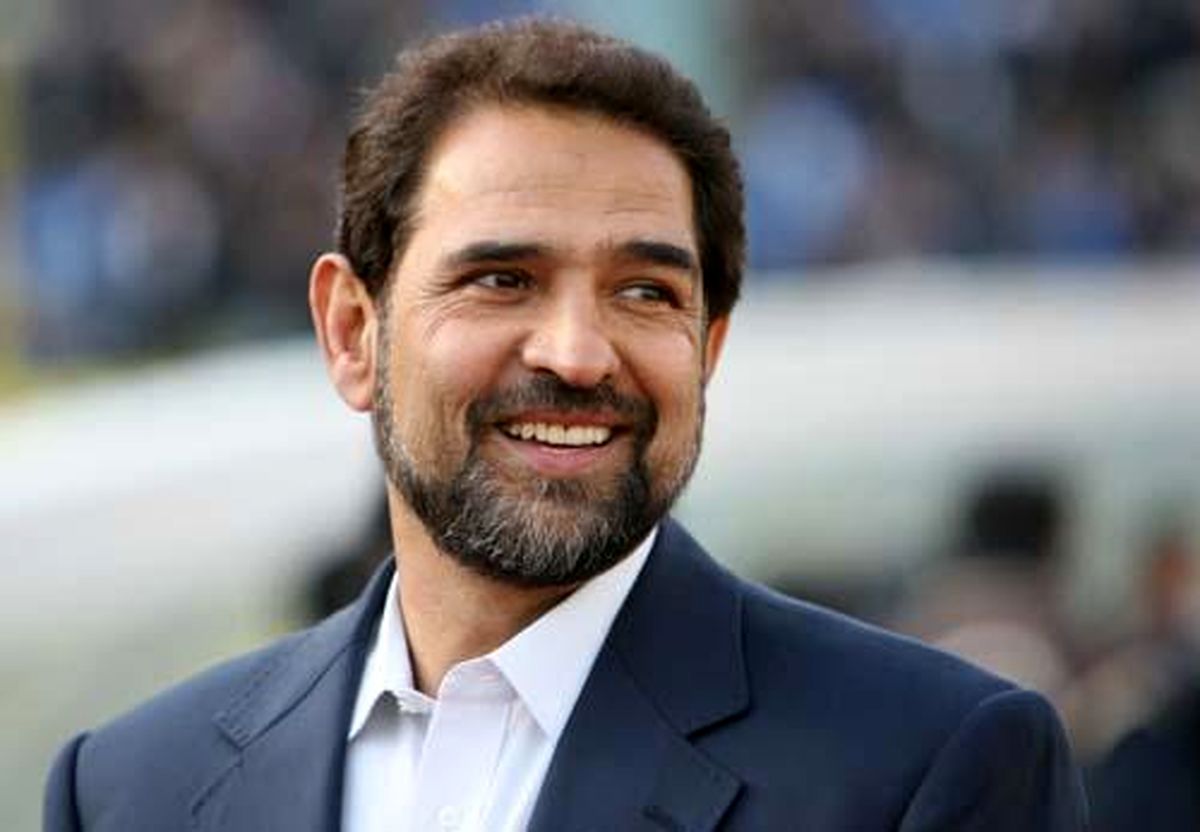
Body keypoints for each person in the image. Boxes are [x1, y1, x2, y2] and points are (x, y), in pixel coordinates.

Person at [44, 19, 1087, 832]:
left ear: (709, 351)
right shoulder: (133, 788)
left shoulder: (926, 764)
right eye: (503, 279)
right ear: (353, 332)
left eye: (645, 293)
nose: (579, 354)